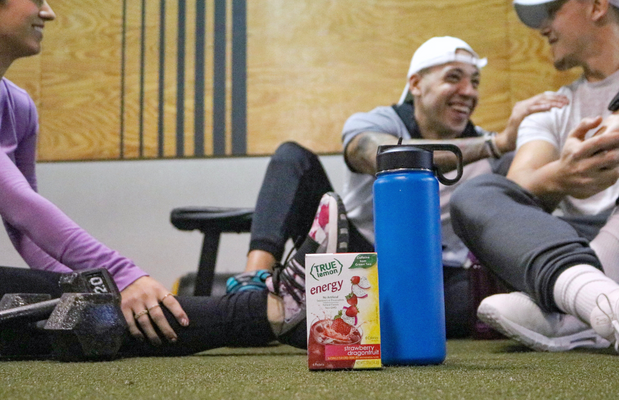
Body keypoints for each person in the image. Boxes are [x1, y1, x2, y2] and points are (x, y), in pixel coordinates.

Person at [0, 0, 308, 359]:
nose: (49, 11)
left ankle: (277, 314)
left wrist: (88, 283)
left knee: (85, 310)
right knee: (88, 303)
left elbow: (24, 230)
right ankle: (271, 311)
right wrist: (122, 275)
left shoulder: (19, 107)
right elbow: (19, 203)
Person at [228, 36, 569, 339]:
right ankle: (253, 285)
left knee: (487, 301)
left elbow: (527, 214)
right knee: (293, 157)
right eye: (454, 77)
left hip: (431, 275)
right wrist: (496, 143)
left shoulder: (489, 152)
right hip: (355, 251)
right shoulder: (378, 122)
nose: (469, 91)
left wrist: (566, 167)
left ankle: (343, 314)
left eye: (475, 82)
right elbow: (382, 156)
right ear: (416, 84)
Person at [450, 0, 619, 356]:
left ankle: (577, 312)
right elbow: (519, 188)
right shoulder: (551, 107)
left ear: (598, 6)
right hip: (572, 252)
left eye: (553, 11)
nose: (543, 28)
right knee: (475, 194)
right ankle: (607, 301)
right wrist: (563, 175)